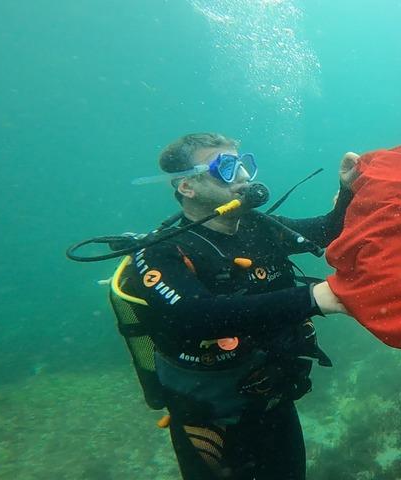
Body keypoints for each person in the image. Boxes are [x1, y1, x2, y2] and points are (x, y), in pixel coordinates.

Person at [108, 133, 354, 479]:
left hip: (273, 399)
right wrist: (312, 299)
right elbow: (196, 316)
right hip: (212, 419)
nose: (242, 177)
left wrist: (349, 190)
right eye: (225, 167)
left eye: (243, 164)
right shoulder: (161, 251)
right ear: (186, 186)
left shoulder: (260, 226)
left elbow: (327, 230)